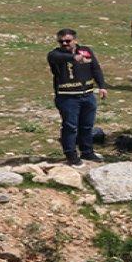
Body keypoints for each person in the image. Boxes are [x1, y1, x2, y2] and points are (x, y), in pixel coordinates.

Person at [46, 29, 108, 166]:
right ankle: (71, 155)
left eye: (68, 41)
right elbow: (56, 58)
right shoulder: (55, 54)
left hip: (87, 94)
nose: (64, 44)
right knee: (70, 126)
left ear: (75, 40)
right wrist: (73, 57)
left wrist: (102, 86)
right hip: (67, 97)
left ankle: (87, 151)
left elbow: (96, 68)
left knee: (87, 126)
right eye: (61, 41)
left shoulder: (85, 51)